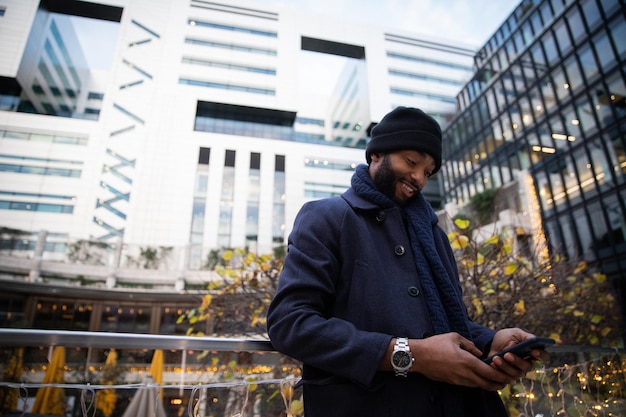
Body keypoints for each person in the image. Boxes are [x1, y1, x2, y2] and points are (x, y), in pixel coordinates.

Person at [266, 106, 550, 416]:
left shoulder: (434, 235)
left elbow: (446, 324)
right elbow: (290, 322)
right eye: (411, 162)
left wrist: (490, 342)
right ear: (376, 155)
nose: (419, 178)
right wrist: (410, 355)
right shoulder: (326, 216)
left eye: (428, 171)